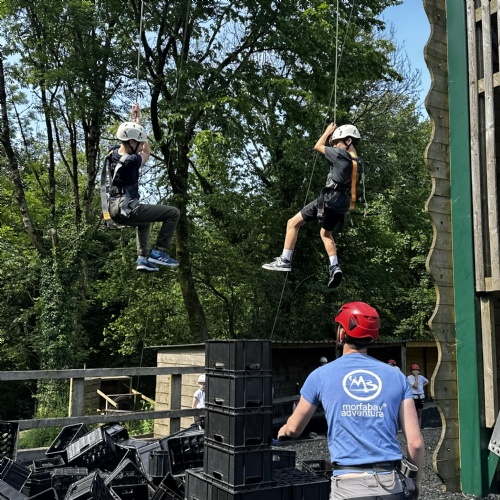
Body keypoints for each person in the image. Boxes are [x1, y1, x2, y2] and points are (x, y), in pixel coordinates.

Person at [278, 302, 424, 499]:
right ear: (373, 335)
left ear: (341, 333)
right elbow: (415, 443)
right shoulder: (396, 376)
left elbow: (295, 428)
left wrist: (283, 431)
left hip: (348, 487)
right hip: (392, 485)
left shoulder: (320, 375)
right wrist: (415, 481)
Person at [262, 123, 363, 288]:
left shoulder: (340, 154)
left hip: (330, 198)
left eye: (336, 142)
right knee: (326, 233)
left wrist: (328, 132)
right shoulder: (358, 163)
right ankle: (334, 266)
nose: (334, 146)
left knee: (292, 223)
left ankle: (285, 260)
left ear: (348, 141)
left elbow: (318, 146)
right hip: (343, 204)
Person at [106, 104, 180, 272]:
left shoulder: (113, 153)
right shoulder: (132, 161)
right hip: (126, 207)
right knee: (173, 213)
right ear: (132, 142)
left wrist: (136, 122)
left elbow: (128, 140)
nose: (141, 147)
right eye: (139, 143)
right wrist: (140, 130)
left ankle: (142, 259)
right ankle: (158, 252)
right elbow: (146, 153)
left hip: (114, 208)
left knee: (145, 221)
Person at [407, 364, 429, 428]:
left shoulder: (421, 377)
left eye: (417, 370)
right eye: (414, 370)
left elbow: (427, 381)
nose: (415, 371)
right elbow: (415, 386)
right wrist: (416, 377)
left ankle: (419, 428)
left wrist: (421, 385)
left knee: (419, 415)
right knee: (413, 414)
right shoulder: (409, 377)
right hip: (414, 397)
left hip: (421, 397)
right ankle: (413, 428)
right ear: (412, 371)